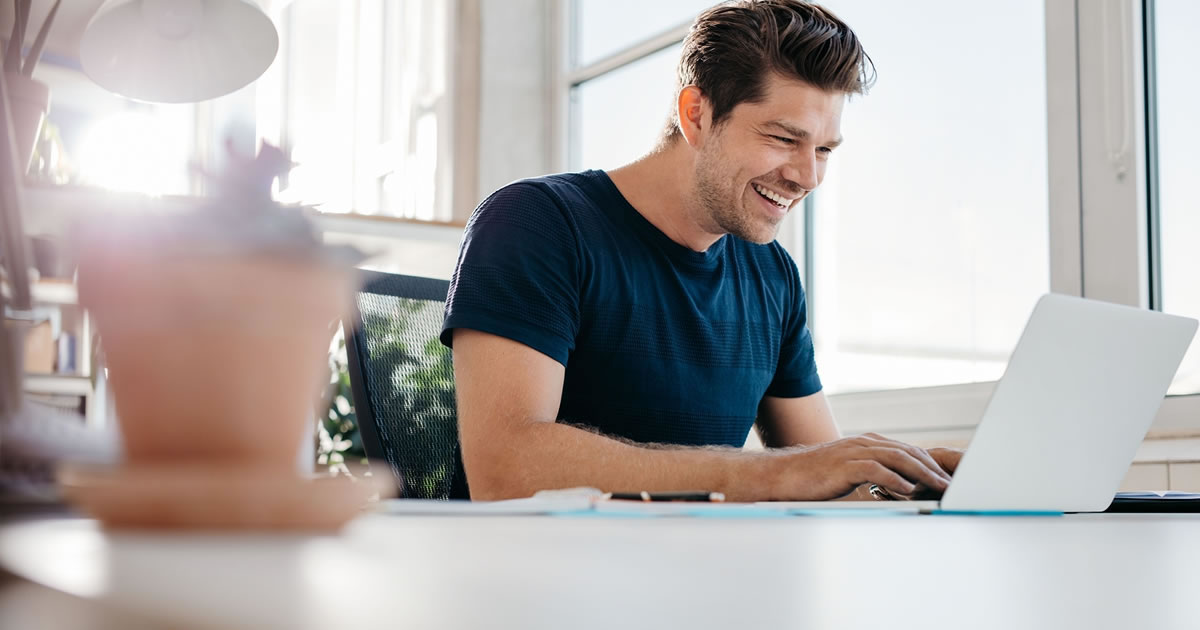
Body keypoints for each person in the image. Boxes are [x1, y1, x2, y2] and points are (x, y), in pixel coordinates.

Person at [440, 0, 961, 501]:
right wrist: (773, 474)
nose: (808, 176)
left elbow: (820, 473)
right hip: (539, 580)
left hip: (702, 577)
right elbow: (504, 468)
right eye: (783, 138)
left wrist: (906, 480)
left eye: (824, 150)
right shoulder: (538, 223)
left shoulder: (772, 275)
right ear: (696, 115)